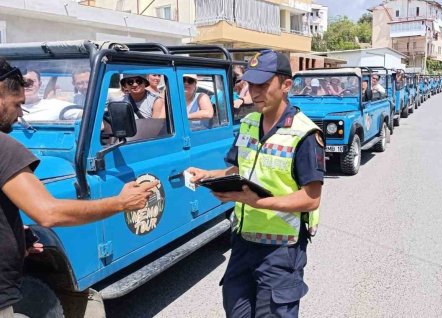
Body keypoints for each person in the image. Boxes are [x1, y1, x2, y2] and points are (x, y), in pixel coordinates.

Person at [0, 58, 157, 317]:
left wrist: (16, 233)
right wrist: (121, 203)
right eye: (17, 104)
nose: (19, 115)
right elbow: (49, 213)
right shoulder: (5, 147)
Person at [187, 50, 324, 318]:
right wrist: (209, 175)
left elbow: (311, 198)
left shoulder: (305, 133)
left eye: (263, 84)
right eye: (251, 84)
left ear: (286, 85)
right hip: (242, 242)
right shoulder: (249, 123)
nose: (255, 92)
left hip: (280, 250)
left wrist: (258, 202)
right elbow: (239, 168)